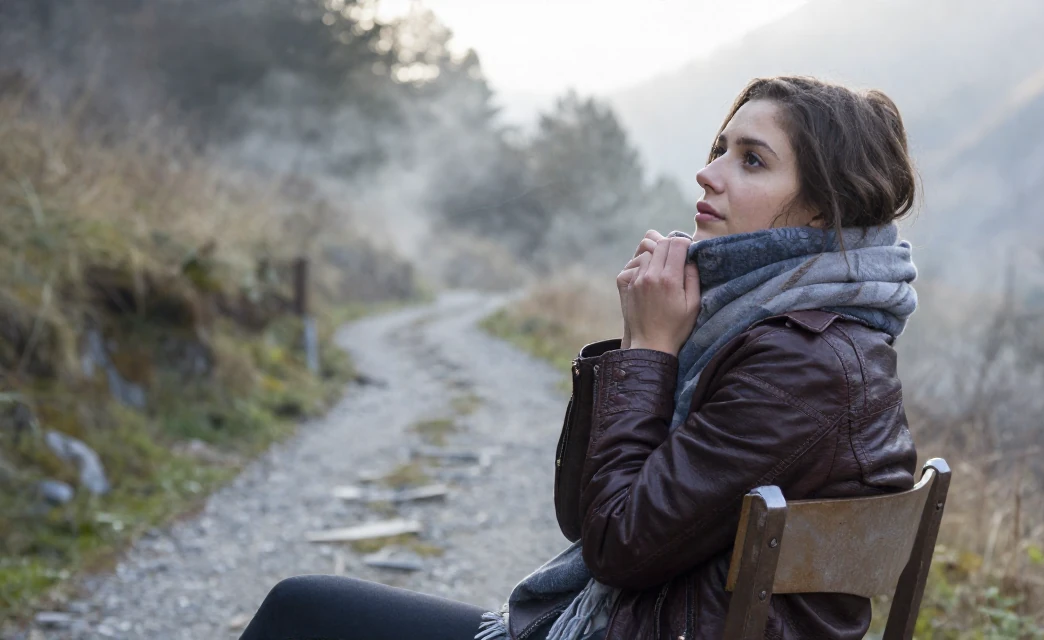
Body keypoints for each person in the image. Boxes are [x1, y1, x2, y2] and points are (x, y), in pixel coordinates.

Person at [238, 74, 919, 640]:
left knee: (302, 614)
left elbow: (617, 544)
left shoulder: (803, 363)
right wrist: (642, 348)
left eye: (751, 159)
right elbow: (589, 514)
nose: (706, 174)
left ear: (819, 214)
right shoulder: (786, 336)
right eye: (719, 147)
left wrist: (650, 350)